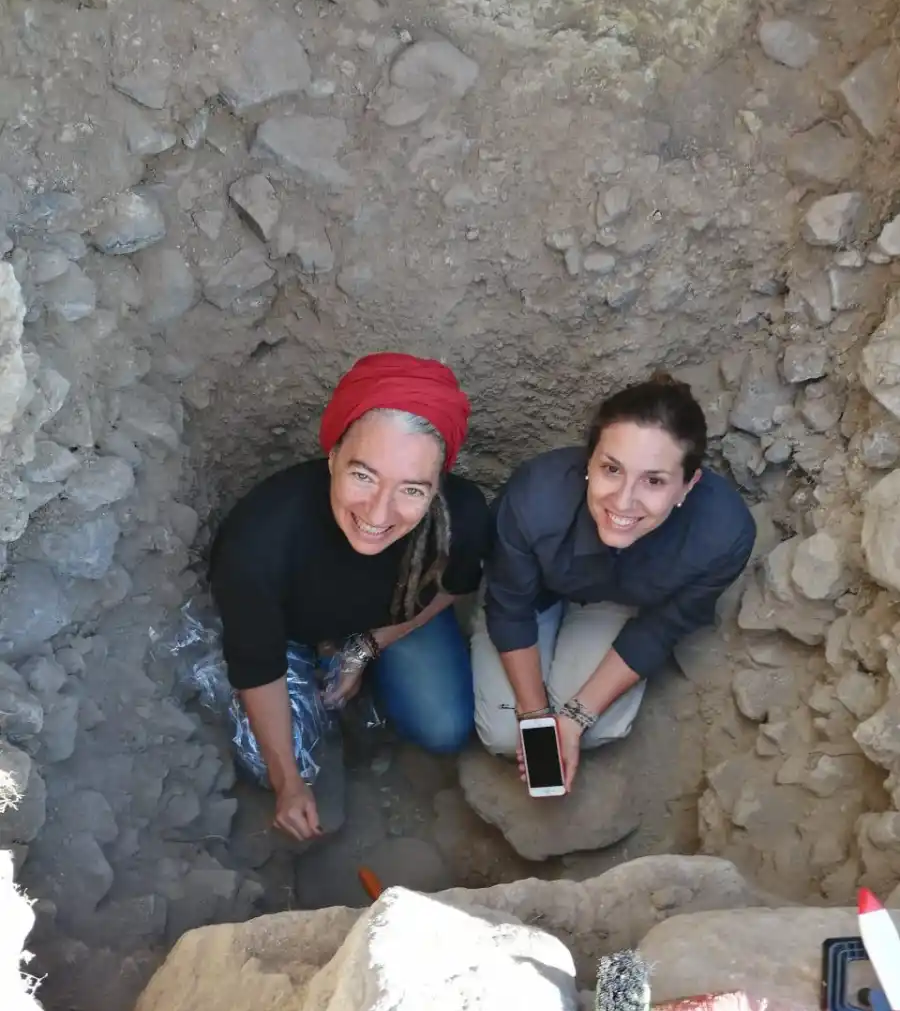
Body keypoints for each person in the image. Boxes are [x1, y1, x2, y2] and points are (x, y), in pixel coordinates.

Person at [209, 352, 492, 845]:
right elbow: (258, 667)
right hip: (291, 634)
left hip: (392, 619)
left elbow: (454, 588)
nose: (378, 513)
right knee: (272, 762)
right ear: (333, 455)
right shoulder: (259, 541)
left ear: (437, 485)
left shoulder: (459, 517)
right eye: (363, 475)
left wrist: (366, 648)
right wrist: (288, 783)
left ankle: (374, 698)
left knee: (445, 728)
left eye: (411, 489)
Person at [472, 372, 756, 789]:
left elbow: (660, 628)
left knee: (599, 728)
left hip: (617, 600)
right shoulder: (537, 496)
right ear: (589, 461)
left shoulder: (722, 536)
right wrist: (535, 715)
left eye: (654, 480)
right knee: (502, 733)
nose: (623, 501)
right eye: (611, 469)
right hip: (535, 597)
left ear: (688, 484)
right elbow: (510, 605)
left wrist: (573, 719)